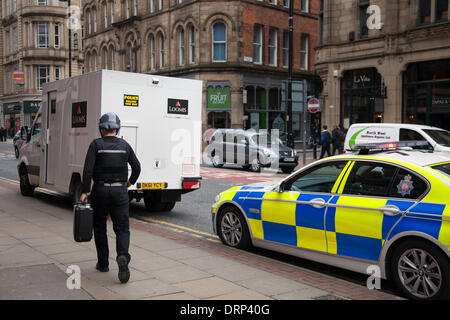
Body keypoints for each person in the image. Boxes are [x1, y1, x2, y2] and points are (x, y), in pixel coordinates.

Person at [80, 112, 141, 284]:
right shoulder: (125, 145)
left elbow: (87, 170)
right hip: (119, 191)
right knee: (122, 228)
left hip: (99, 190)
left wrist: (85, 191)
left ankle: (103, 263)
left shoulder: (96, 145)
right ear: (117, 128)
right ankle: (122, 256)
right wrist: (130, 182)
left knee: (99, 227)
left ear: (101, 129)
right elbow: (137, 166)